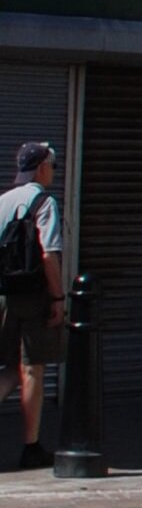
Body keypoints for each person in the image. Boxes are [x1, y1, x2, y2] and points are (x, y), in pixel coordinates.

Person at [0, 141, 64, 471]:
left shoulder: (3, 201)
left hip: (4, 296)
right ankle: (32, 446)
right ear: (41, 168)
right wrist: (57, 297)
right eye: (52, 166)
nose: (53, 171)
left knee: (9, 367)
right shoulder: (44, 201)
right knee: (32, 369)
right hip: (32, 296)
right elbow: (48, 254)